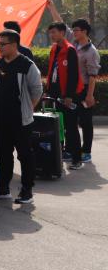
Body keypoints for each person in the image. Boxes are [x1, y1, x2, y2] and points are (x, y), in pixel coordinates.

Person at [0, 29, 42, 204]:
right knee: (4, 155)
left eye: (3, 44)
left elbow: (37, 90)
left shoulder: (27, 65)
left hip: (21, 120)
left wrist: (28, 109)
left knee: (25, 155)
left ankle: (26, 190)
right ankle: (3, 188)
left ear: (14, 45)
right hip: (1, 120)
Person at [47, 21, 85, 171]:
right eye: (50, 32)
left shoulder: (70, 50)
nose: (51, 35)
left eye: (54, 32)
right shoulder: (54, 49)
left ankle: (77, 159)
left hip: (68, 96)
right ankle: (61, 155)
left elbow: (73, 75)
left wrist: (69, 96)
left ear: (62, 33)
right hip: (55, 94)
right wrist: (48, 90)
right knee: (57, 127)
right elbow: (52, 71)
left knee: (71, 127)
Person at [71, 18, 100, 164]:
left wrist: (89, 95)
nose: (73, 32)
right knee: (72, 121)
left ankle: (86, 151)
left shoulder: (91, 51)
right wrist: (52, 9)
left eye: (76, 30)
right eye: (73, 30)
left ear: (84, 31)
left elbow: (92, 76)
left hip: (85, 90)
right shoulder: (74, 45)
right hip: (74, 90)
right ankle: (73, 150)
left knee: (86, 122)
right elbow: (61, 25)